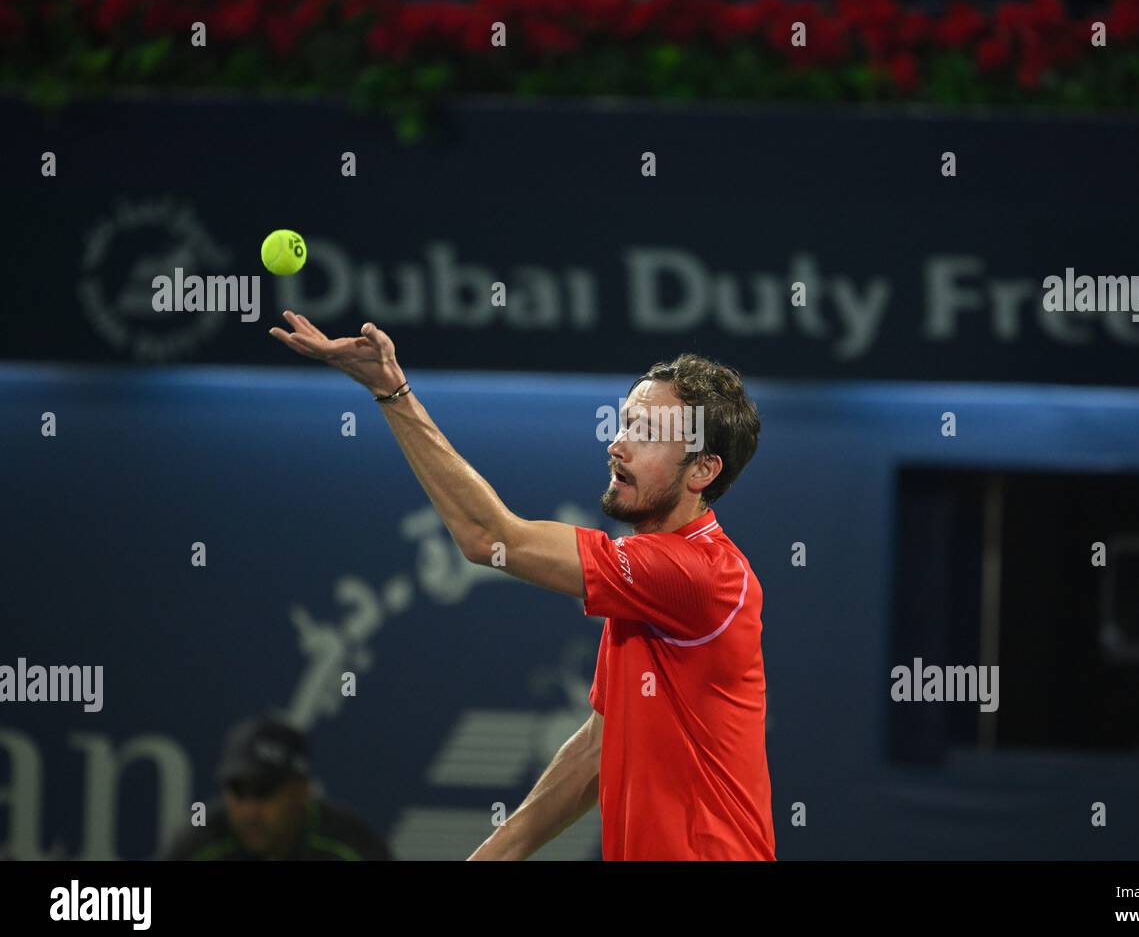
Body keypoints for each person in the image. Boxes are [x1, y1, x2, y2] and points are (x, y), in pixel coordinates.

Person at [269, 312, 774, 861]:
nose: (618, 445)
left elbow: (488, 537)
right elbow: (601, 745)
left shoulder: (697, 575)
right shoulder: (652, 585)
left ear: (701, 471)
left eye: (647, 434)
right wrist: (495, 853)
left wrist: (393, 393)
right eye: (626, 423)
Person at [163, 713, 391, 861]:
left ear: (302, 792)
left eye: (265, 792)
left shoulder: (350, 846)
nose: (249, 811)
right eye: (238, 791)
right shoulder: (200, 846)